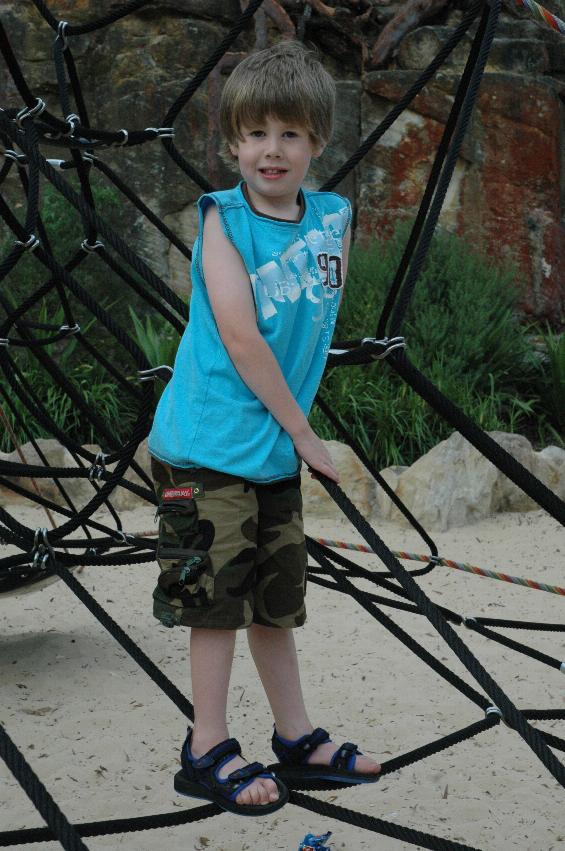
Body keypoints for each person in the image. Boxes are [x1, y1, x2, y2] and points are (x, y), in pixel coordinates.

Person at [147, 40, 380, 817]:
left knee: (277, 601)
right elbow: (243, 339)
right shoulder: (223, 221)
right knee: (215, 601)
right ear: (230, 144)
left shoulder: (334, 217)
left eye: (288, 133)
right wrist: (306, 432)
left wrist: (291, 433)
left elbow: (313, 323)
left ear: (317, 141)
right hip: (207, 446)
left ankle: (295, 736)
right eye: (253, 134)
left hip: (271, 450)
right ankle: (204, 745)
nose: (269, 150)